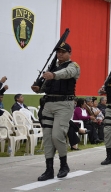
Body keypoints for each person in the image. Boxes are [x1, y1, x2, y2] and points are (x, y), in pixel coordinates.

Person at [30, 42, 80, 181]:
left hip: (64, 104)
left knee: (57, 135)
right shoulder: (52, 68)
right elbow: (47, 86)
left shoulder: (73, 66)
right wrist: (38, 88)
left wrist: (53, 74)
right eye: (58, 51)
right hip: (48, 104)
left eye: (63, 52)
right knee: (47, 138)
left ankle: (64, 165)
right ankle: (49, 169)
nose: (60, 54)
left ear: (69, 53)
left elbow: (66, 73)